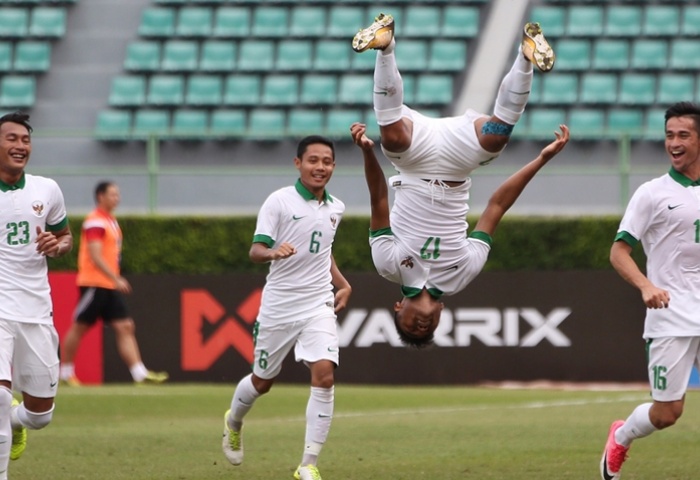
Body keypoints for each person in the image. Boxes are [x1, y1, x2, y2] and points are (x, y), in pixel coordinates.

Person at [349, 14, 560, 347]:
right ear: (442, 313)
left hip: (414, 164)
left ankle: (385, 46)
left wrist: (366, 152)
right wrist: (541, 159)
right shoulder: (462, 275)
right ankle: (525, 56)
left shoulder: (389, 266)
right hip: (457, 167)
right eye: (427, 330)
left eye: (411, 327)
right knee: (496, 137)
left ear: (398, 306)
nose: (421, 325)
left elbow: (378, 200)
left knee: (392, 137)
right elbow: (496, 206)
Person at [221, 135, 351, 480]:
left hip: (317, 303)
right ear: (298, 163)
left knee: (324, 373)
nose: (320, 167)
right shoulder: (279, 201)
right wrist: (272, 252)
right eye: (313, 160)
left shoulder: (336, 208)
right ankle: (233, 421)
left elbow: (322, 251)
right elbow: (256, 250)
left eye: (326, 161)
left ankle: (308, 463)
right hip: (279, 306)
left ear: (333, 166)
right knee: (262, 382)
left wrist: (342, 282)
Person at [599, 101, 700, 480]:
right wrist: (645, 285)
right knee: (667, 413)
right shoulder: (651, 193)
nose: (673, 142)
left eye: (683, 135)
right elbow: (618, 251)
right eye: (669, 135)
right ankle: (621, 436)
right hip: (670, 315)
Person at [0, 111, 73, 479]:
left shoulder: (47, 189)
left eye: (25, 140)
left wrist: (56, 245)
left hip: (35, 310)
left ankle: (16, 423)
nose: (20, 146)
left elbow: (65, 238)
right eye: (12, 138)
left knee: (41, 414)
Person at [59, 181, 168, 386]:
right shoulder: (95, 221)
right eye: (112, 194)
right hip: (94, 283)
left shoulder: (110, 221)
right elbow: (95, 253)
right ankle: (65, 372)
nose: (116, 198)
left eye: (117, 194)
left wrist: (113, 279)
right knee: (79, 327)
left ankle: (139, 373)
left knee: (125, 326)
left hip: (108, 284)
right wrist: (115, 277)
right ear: (100, 196)